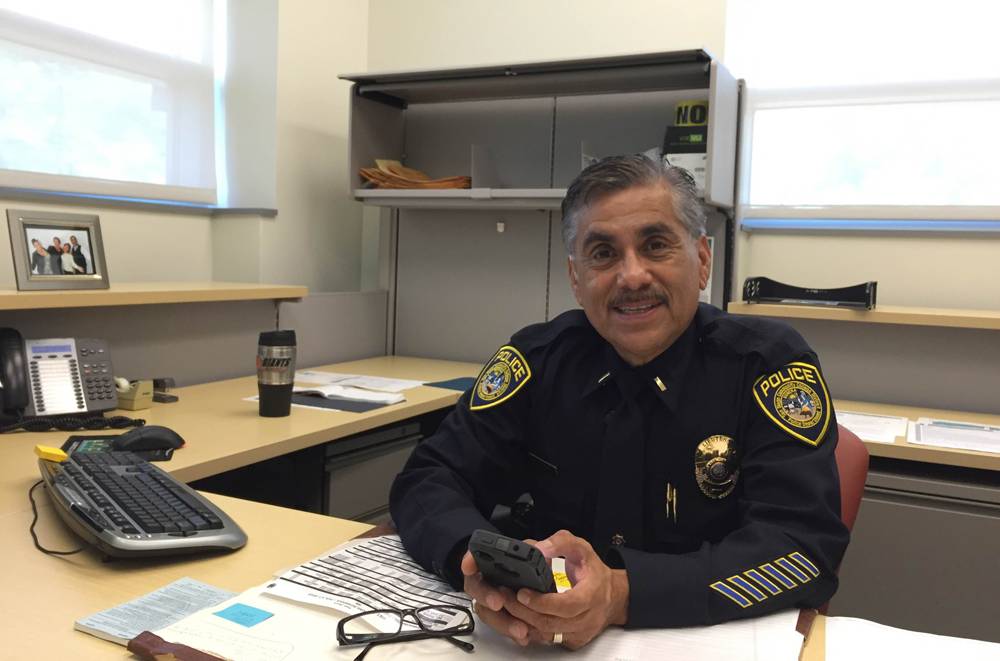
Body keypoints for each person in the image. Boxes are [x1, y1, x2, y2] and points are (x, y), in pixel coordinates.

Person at [389, 154, 849, 649]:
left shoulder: (768, 366)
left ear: (702, 261)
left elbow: (801, 550)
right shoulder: (539, 359)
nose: (632, 276)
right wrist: (476, 561)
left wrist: (622, 594)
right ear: (575, 277)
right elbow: (428, 478)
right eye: (604, 254)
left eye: (655, 245)